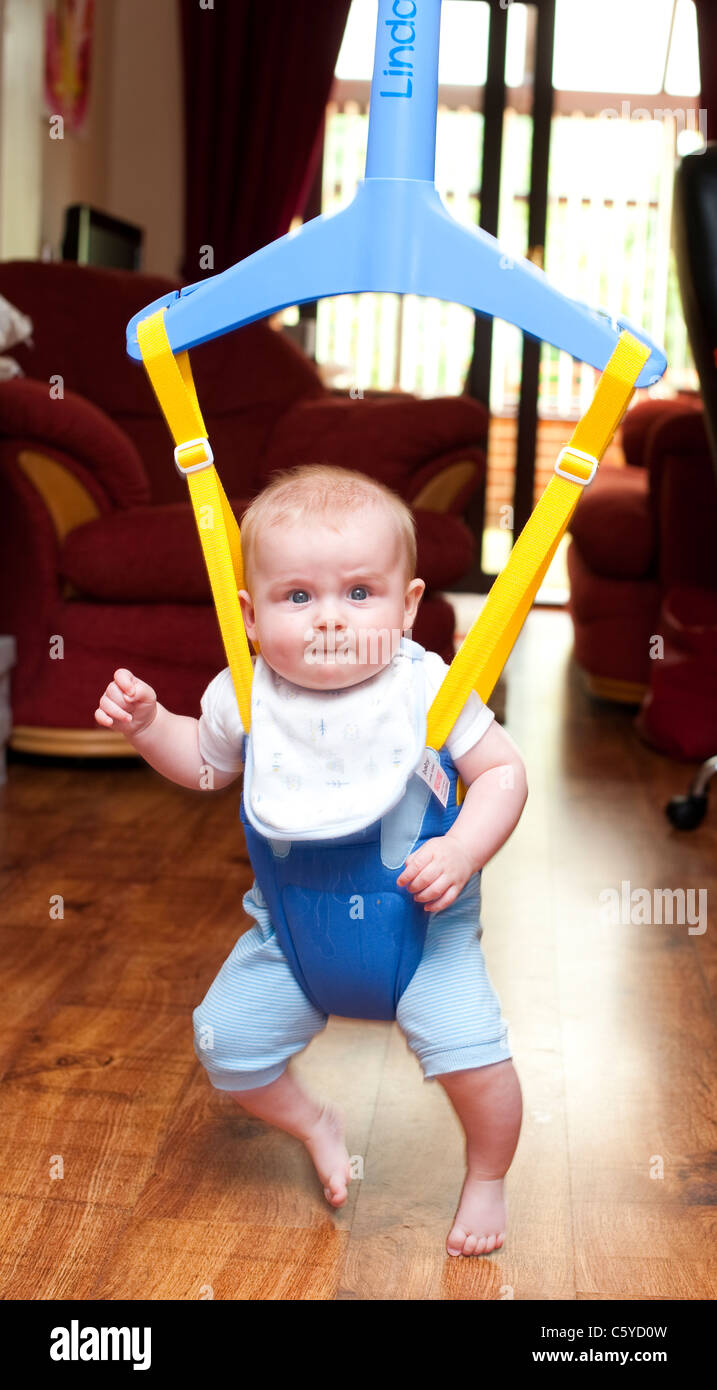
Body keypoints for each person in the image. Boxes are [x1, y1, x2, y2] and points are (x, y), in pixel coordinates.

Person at [95, 463, 527, 1258]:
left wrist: (462, 846)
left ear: (407, 607)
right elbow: (201, 766)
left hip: (422, 939)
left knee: (479, 1064)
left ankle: (488, 1175)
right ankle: (313, 1122)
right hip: (292, 942)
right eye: (299, 597)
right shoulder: (247, 695)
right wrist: (152, 724)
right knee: (226, 1045)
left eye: (359, 593)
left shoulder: (428, 690)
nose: (330, 619)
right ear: (251, 616)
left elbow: (501, 773)